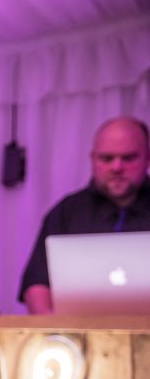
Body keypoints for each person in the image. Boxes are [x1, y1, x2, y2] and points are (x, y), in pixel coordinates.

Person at [20, 116, 150, 314]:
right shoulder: (67, 211)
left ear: (147, 158)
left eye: (128, 158)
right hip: (79, 339)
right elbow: (36, 285)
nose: (117, 167)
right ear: (93, 159)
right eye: (107, 158)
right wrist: (54, 331)